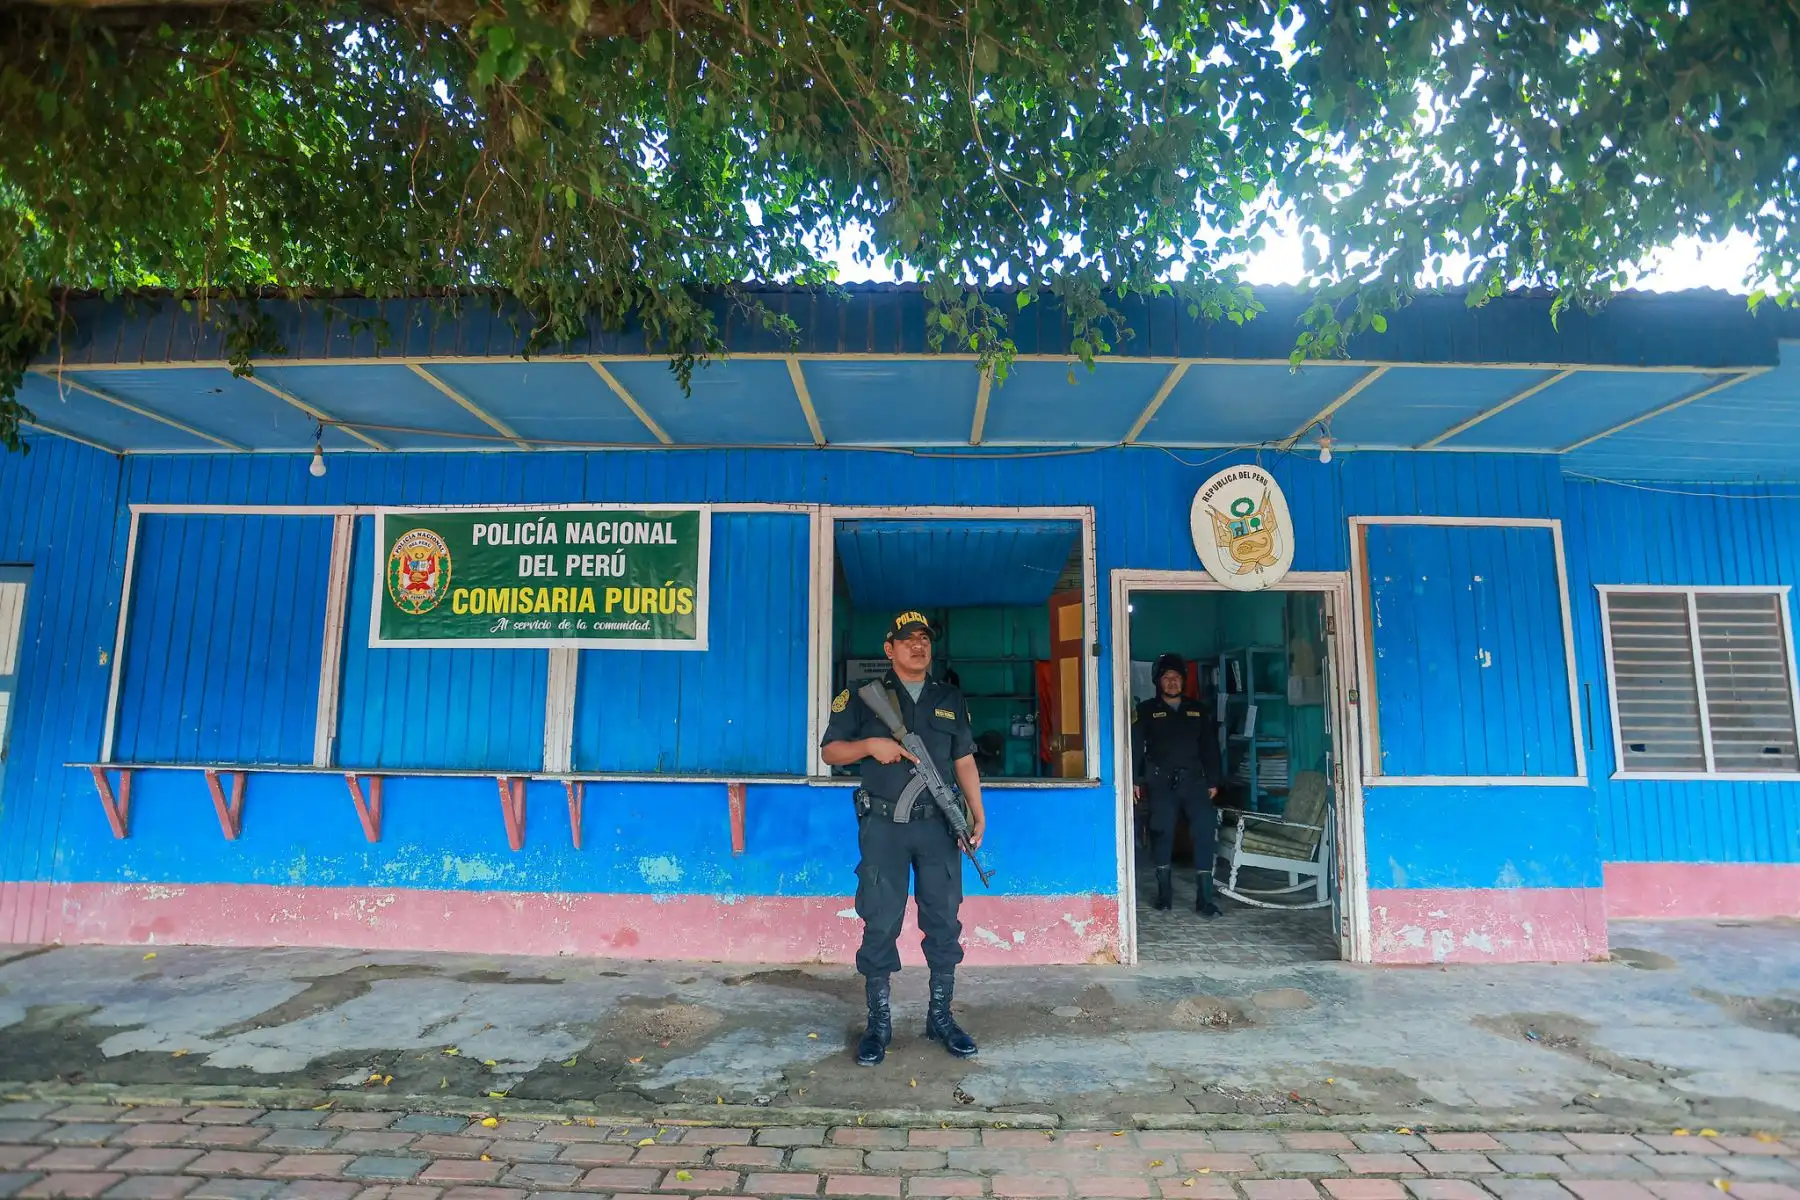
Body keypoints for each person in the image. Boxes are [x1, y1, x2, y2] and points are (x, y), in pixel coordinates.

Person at [821, 611, 987, 1068]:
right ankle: (878, 1024)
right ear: (889, 649)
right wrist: (869, 747)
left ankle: (940, 1017)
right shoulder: (859, 698)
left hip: (938, 827)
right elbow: (830, 750)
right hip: (883, 828)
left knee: (943, 918)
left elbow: (964, 760)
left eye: (925, 639)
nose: (919, 645)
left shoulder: (948, 696)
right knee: (880, 919)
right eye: (907, 639)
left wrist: (976, 811)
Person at [1131, 652, 1224, 916]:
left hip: (1195, 782)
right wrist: (1137, 780)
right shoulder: (1147, 711)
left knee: (1204, 833)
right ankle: (1164, 895)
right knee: (1162, 832)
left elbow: (1210, 748)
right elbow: (1137, 747)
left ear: (1183, 681)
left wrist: (1214, 779)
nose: (1172, 682)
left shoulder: (1197, 710)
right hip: (1160, 781)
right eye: (1167, 678)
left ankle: (1204, 899)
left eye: (1177, 678)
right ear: (1158, 682)